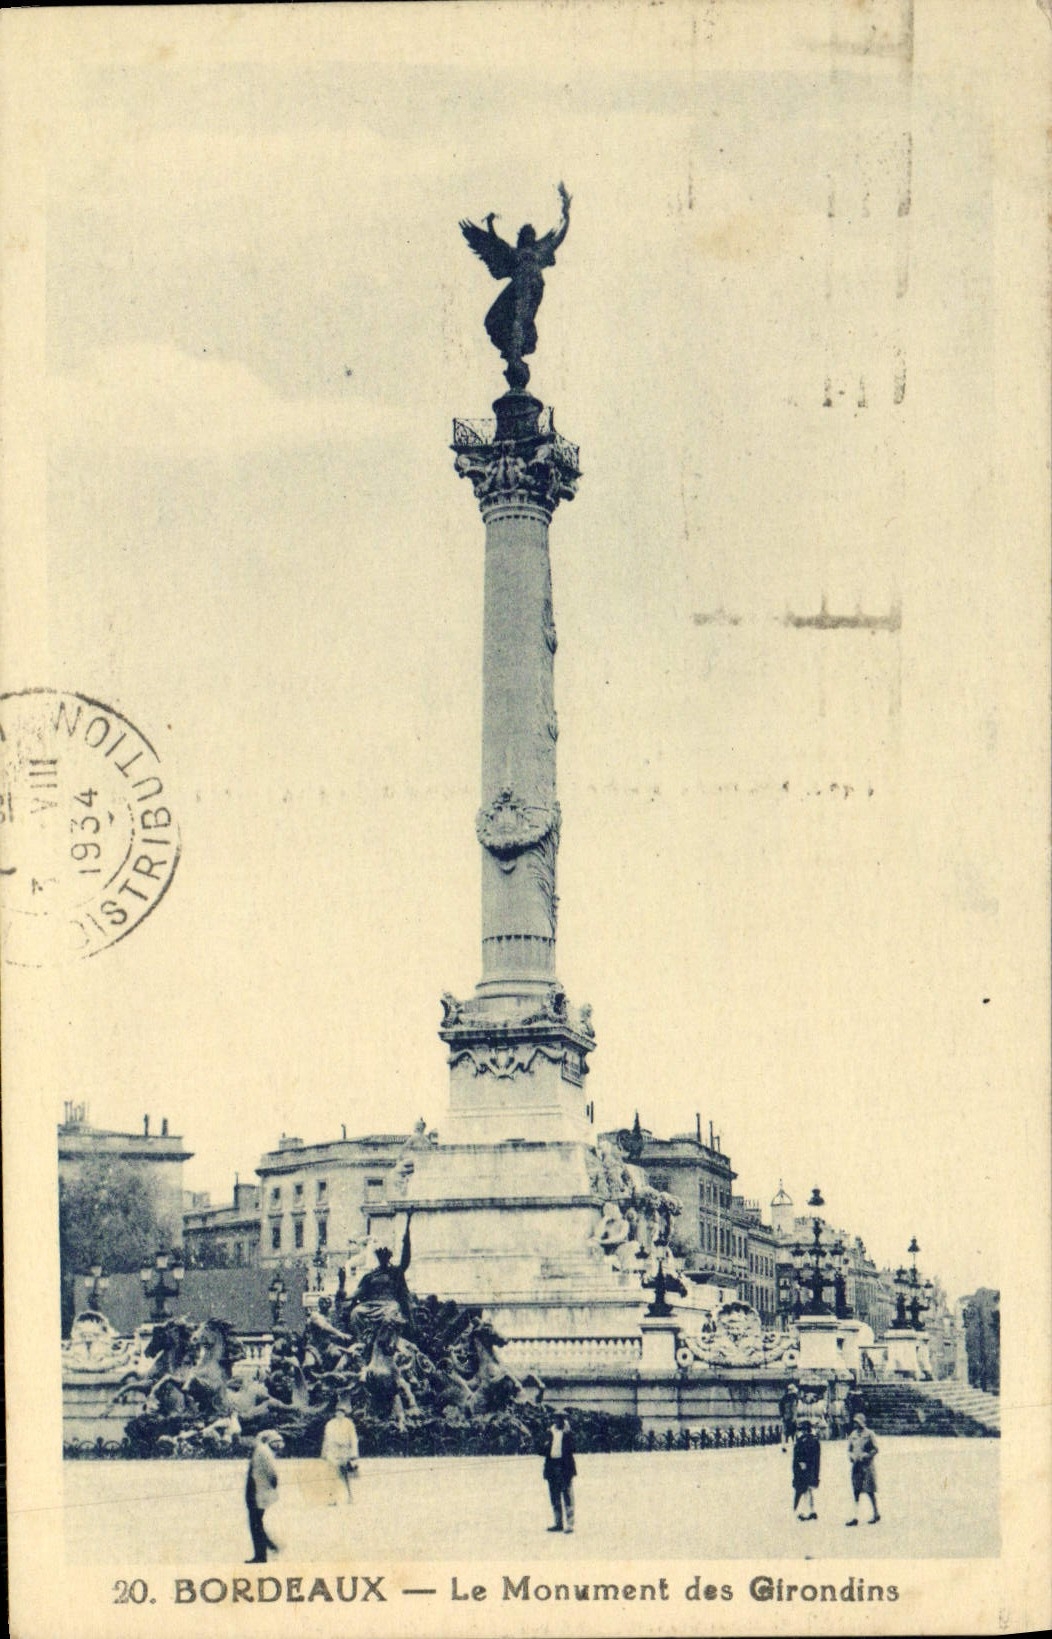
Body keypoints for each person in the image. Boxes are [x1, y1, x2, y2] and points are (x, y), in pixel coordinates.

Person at [245, 1429, 284, 1562]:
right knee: (257, 1523)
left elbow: (272, 1475)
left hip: (256, 1490)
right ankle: (267, 1549)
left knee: (255, 1523)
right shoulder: (265, 1451)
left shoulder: (262, 1451)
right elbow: (273, 1476)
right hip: (259, 1490)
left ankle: (262, 1554)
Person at [321, 1393, 360, 1506]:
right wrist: (325, 1453)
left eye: (342, 1412)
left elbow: (353, 1439)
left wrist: (354, 1454)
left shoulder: (349, 1424)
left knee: (346, 1476)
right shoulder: (330, 1424)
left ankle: (350, 1496)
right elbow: (327, 1439)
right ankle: (332, 1499)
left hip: (345, 1452)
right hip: (333, 1452)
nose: (340, 1414)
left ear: (344, 1413)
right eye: (338, 1412)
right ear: (335, 1413)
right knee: (332, 1476)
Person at [543, 1412, 577, 1534]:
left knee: (567, 1496)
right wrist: (545, 1447)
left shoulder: (568, 1433)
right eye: (556, 1419)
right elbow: (541, 1449)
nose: (557, 1421)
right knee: (554, 1496)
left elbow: (574, 1448)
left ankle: (569, 1524)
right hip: (551, 1467)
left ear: (563, 1421)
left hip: (564, 1468)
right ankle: (558, 1523)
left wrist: (568, 1435)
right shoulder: (549, 1432)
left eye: (560, 1419)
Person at [845, 1412, 880, 1525]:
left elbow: (875, 1449)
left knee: (869, 1491)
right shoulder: (853, 1434)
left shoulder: (869, 1434)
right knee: (856, 1490)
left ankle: (876, 1513)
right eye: (855, 1422)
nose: (856, 1424)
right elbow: (849, 1449)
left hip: (867, 1466)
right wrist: (850, 1456)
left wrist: (867, 1455)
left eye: (858, 1422)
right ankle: (855, 1516)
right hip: (856, 1465)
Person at [791, 1417, 821, 1520]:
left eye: (802, 1429)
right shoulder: (813, 1440)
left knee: (805, 1490)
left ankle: (805, 1512)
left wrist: (801, 1464)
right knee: (809, 1490)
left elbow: (800, 1455)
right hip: (811, 1469)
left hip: (804, 1469)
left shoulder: (805, 1441)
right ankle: (812, 1510)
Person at [778, 1382, 799, 1451]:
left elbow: (780, 1407)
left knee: (784, 1432)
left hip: (785, 1417)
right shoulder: (795, 1397)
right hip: (792, 1417)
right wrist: (795, 1417)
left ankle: (783, 1446)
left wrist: (782, 1416)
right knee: (794, 1432)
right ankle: (794, 1445)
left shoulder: (783, 1398)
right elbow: (794, 1408)